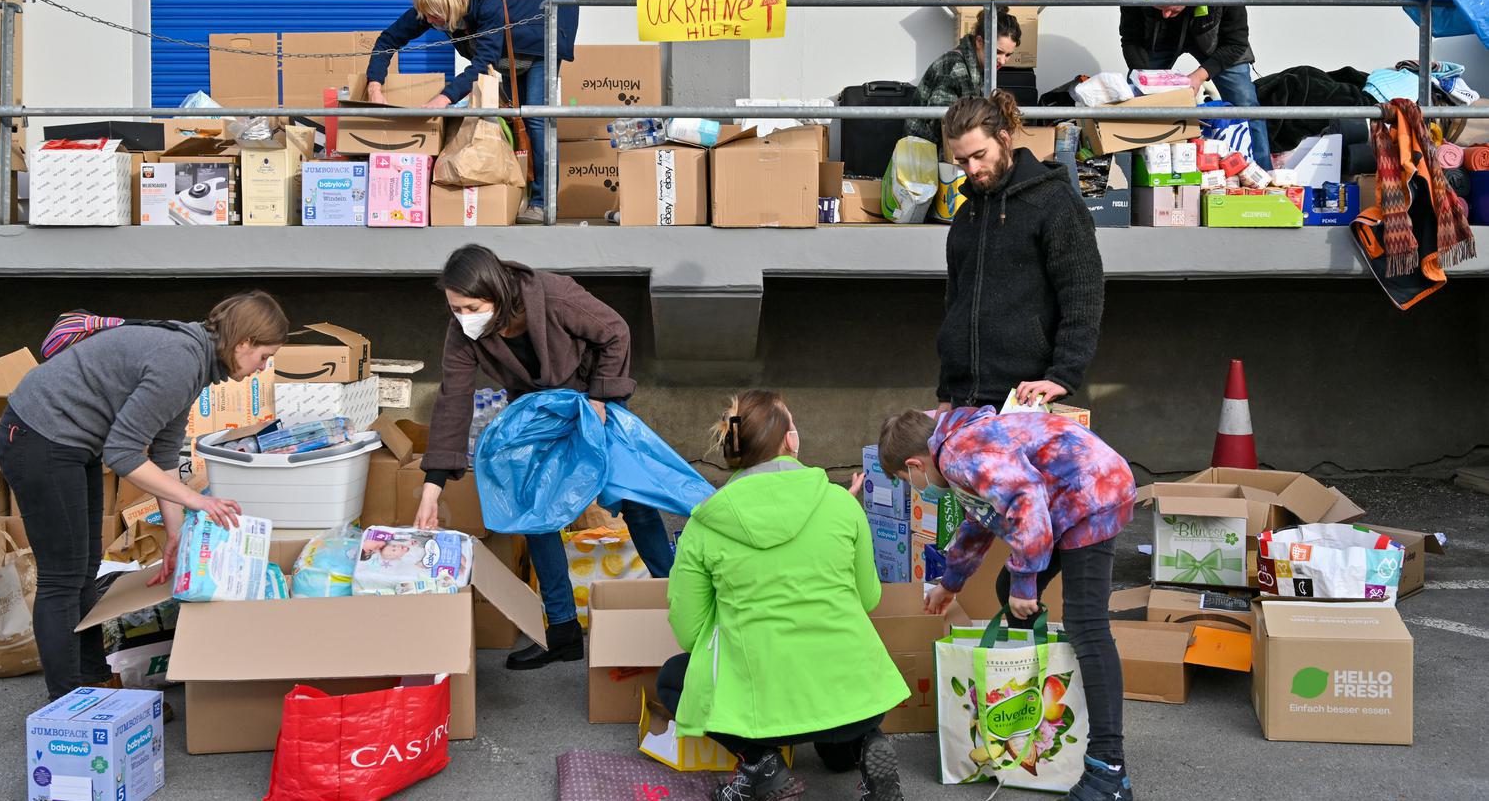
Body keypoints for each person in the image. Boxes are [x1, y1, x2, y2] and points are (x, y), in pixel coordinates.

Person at [0, 291, 288, 701]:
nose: (264, 367)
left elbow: (165, 451)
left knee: (83, 572)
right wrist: (198, 502)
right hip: (39, 437)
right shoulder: (180, 360)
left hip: (71, 443)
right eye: (264, 356)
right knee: (62, 579)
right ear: (243, 343)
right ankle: (67, 708)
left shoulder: (196, 360)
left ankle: (94, 684)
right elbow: (122, 453)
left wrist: (176, 533)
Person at [415, 244, 675, 670]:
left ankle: (684, 603)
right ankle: (562, 631)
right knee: (534, 511)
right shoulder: (464, 330)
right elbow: (453, 398)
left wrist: (602, 397)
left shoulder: (554, 295)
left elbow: (615, 331)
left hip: (593, 401)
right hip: (535, 411)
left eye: (472, 307)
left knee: (633, 500)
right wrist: (433, 485)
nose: (464, 317)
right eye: (456, 308)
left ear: (498, 293)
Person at [658, 390, 908, 801]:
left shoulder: (706, 523)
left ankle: (762, 763)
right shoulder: (841, 504)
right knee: (838, 738)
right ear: (791, 441)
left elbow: (689, 631)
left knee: (673, 678)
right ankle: (866, 746)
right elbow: (868, 599)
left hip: (759, 705)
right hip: (851, 695)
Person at [876, 406, 1136, 801]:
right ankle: (1029, 710)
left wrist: (1027, 581)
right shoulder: (957, 449)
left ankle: (1109, 770)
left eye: (906, 480)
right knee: (1007, 590)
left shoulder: (959, 454)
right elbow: (980, 520)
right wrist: (951, 584)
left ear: (914, 464)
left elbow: (1024, 499)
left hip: (1090, 498)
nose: (916, 488)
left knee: (1087, 625)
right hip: (1069, 500)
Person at [365, 0, 580, 222]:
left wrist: (443, 99)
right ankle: (518, 197)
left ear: (451, 2)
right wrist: (374, 86)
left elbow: (481, 64)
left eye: (435, 15)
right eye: (427, 16)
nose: (431, 22)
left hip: (543, 33)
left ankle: (544, 204)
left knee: (536, 118)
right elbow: (388, 39)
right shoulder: (432, 10)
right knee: (515, 120)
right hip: (508, 50)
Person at [936, 90, 1103, 414]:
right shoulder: (965, 214)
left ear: (1003, 138)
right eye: (961, 160)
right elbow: (955, 304)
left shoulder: (1054, 203)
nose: (971, 168)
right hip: (963, 402)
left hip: (1025, 402)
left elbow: (1083, 295)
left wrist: (1063, 376)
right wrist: (946, 392)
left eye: (980, 154)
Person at [1120, 0, 1269, 169]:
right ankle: (1137, 174)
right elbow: (1131, 38)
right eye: (1159, 9)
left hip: (1217, 42)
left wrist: (1199, 75)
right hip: (1160, 41)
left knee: (1245, 102)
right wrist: (1143, 75)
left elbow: (1237, 43)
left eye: (1171, 9)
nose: (1165, 15)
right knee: (1138, 99)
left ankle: (1263, 175)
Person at [904, 8, 1023, 149]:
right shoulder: (954, 66)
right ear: (979, 42)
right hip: (925, 155)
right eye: (998, 52)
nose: (1003, 61)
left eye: (1008, 55)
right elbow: (944, 125)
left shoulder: (981, 67)